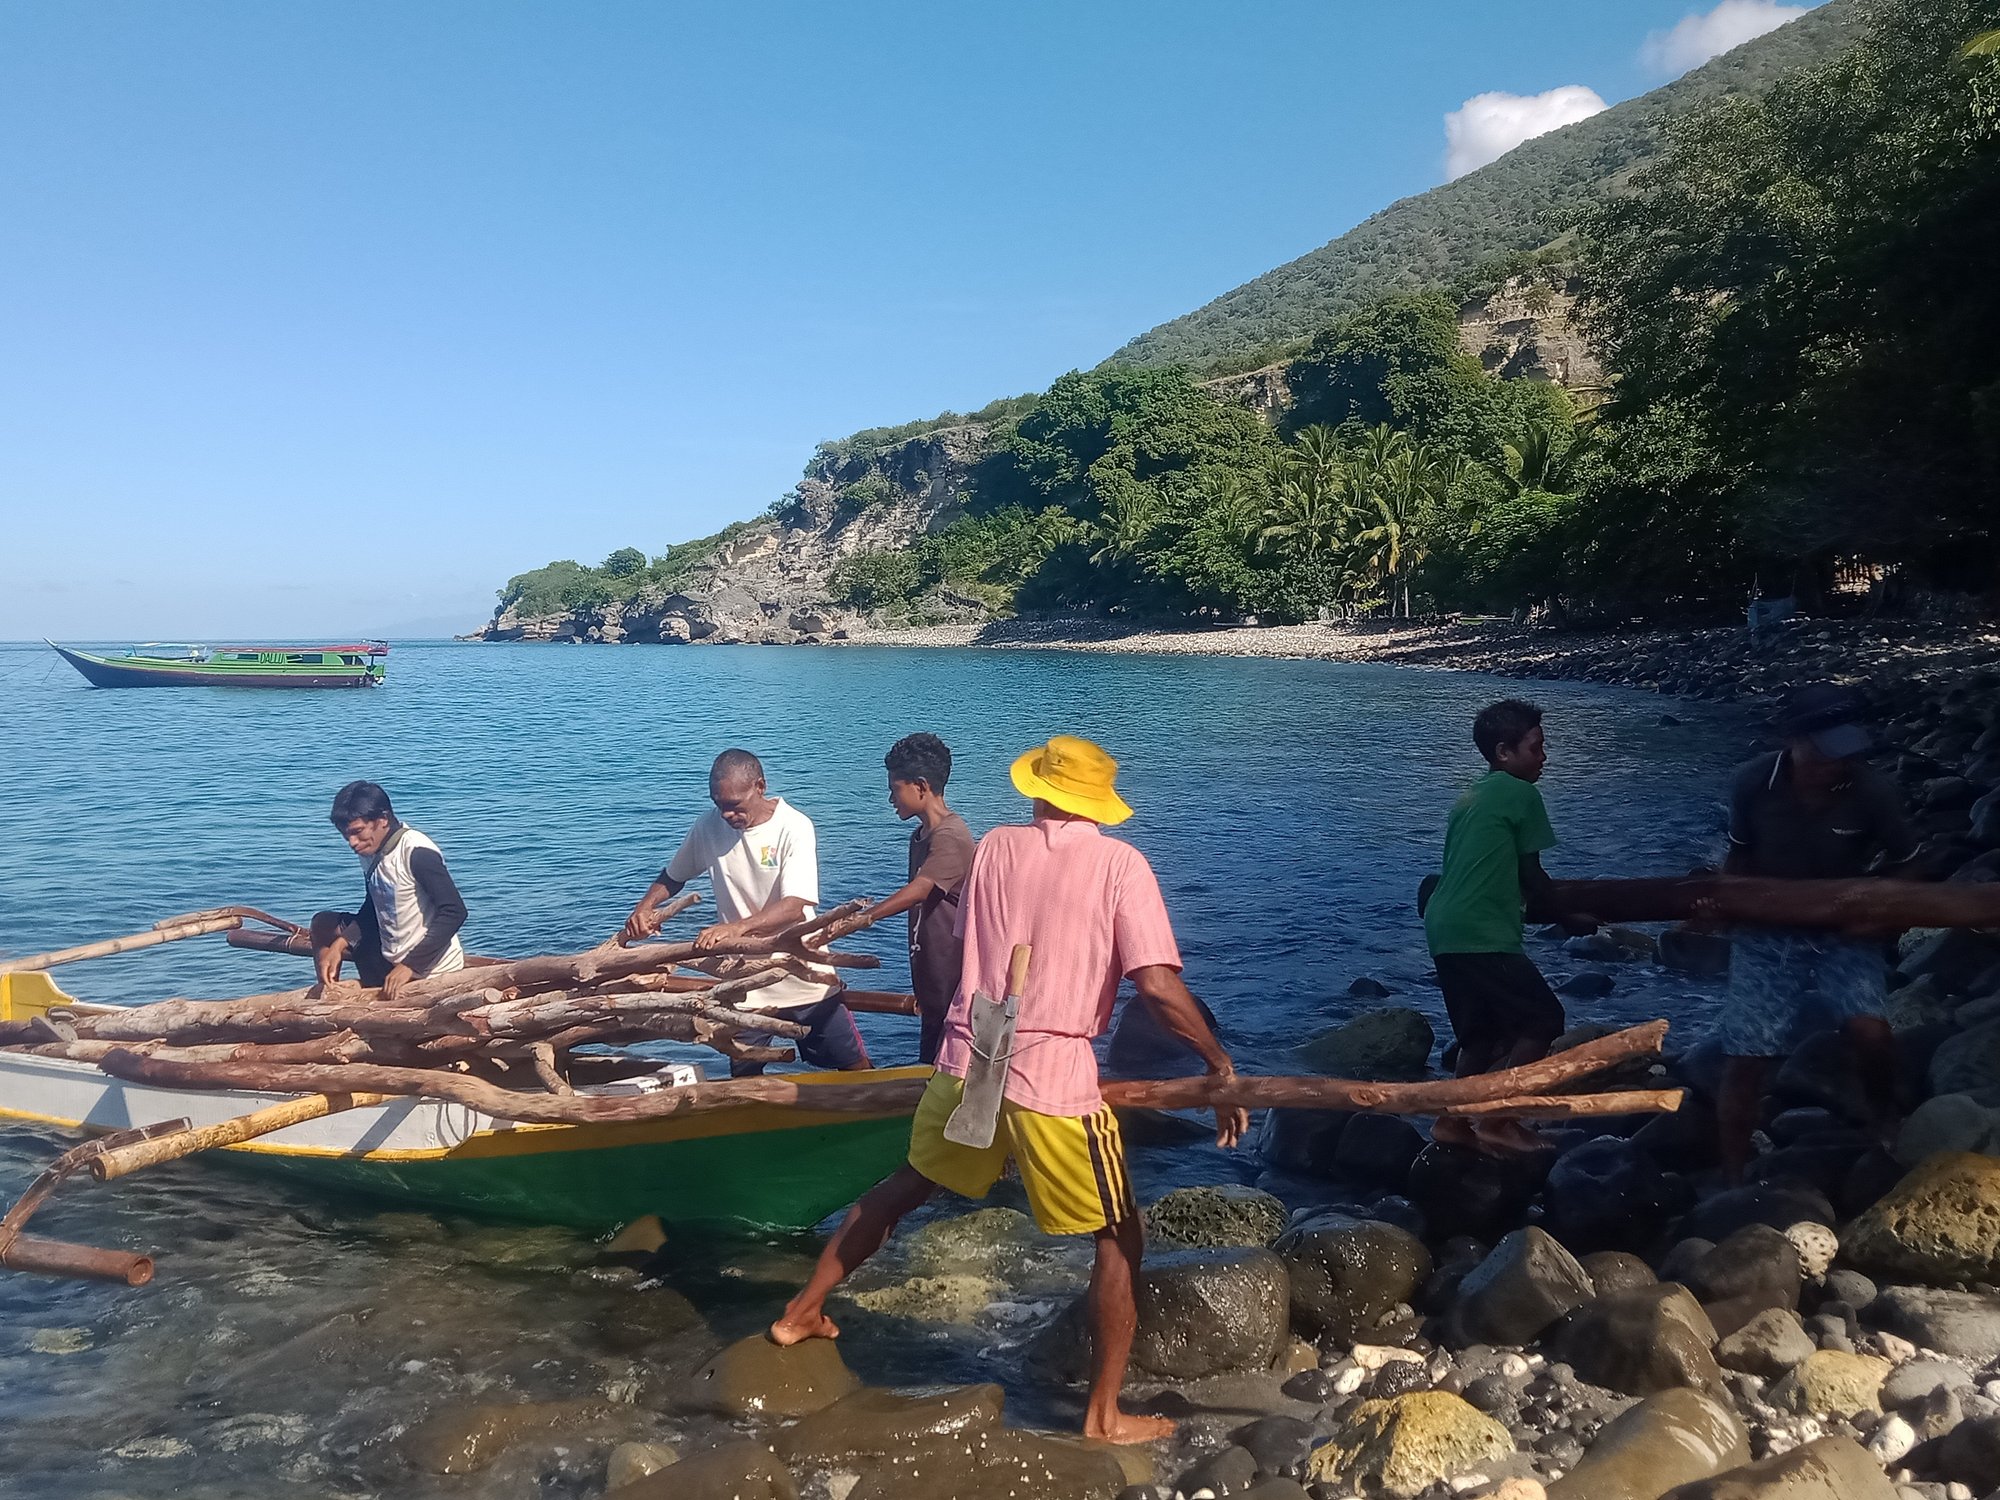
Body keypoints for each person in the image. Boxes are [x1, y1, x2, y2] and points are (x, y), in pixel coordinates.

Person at [770, 734, 1247, 1446]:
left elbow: (971, 942)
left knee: (908, 1183)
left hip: (970, 1054)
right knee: (1119, 1232)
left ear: (1038, 792)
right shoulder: (1120, 864)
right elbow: (1155, 983)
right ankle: (1103, 1416)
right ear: (1097, 803)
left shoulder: (993, 846)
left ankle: (801, 1311)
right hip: (1050, 1070)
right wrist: (1218, 1065)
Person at [1712, 683, 1919, 1180]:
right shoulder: (1752, 783)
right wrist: (1716, 904)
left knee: (1871, 1032)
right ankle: (1732, 1172)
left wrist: (1883, 911)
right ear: (1794, 740)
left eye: (1846, 751)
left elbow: (1911, 862)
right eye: (1827, 752)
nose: (1838, 763)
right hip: (1766, 931)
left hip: (1842, 930)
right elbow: (1739, 857)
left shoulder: (1872, 791)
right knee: (1746, 1056)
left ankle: (1883, 1118)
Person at [620, 749, 869, 1077]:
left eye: (735, 805)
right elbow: (674, 876)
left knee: (854, 1068)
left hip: (804, 975)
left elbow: (795, 905)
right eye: (719, 804)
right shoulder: (708, 826)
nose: (726, 814)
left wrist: (735, 929)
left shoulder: (794, 827)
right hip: (745, 983)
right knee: (744, 1076)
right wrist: (644, 908)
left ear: (760, 787)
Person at [1423, 699, 1577, 1155]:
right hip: (1482, 930)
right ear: (1504, 752)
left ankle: (1450, 1123)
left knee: (1481, 1037)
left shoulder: (1471, 796)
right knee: (1544, 1019)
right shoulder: (1521, 794)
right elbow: (1532, 875)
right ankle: (1499, 1120)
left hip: (1444, 926)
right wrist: (1571, 916)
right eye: (1536, 747)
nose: (1544, 757)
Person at [851, 732, 975, 1065]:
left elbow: (921, 889)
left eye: (895, 789)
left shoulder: (951, 836)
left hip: (954, 987)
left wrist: (865, 918)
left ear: (921, 786)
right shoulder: (921, 835)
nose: (891, 799)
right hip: (931, 984)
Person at [310, 781, 468, 1003]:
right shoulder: (371, 852)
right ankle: (327, 989)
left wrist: (410, 966)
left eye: (357, 832)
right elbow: (374, 907)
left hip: (430, 967)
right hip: (391, 953)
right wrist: (340, 944)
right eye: (346, 836)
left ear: (382, 819)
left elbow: (454, 911)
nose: (352, 843)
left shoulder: (416, 852)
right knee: (322, 923)